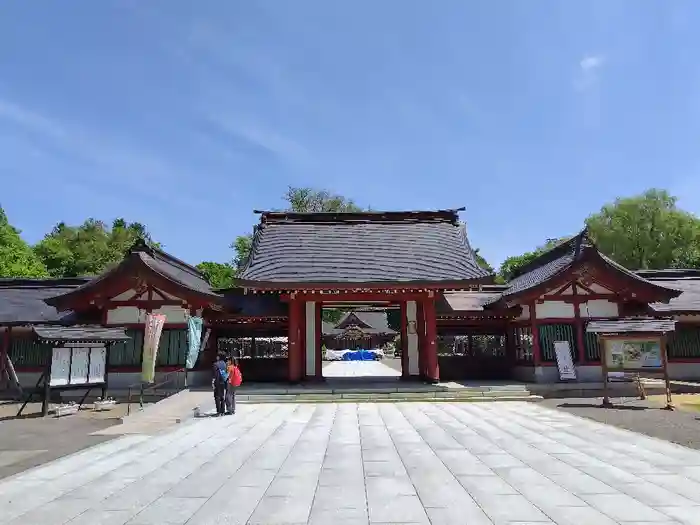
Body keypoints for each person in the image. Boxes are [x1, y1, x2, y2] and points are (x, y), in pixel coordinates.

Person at [212, 352, 229, 416]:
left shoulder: (215, 364)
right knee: (222, 396)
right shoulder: (225, 364)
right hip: (223, 382)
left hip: (217, 382)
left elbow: (214, 375)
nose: (216, 357)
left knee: (217, 397)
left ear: (219, 357)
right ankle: (223, 411)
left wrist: (213, 383)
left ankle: (218, 412)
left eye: (217, 356)